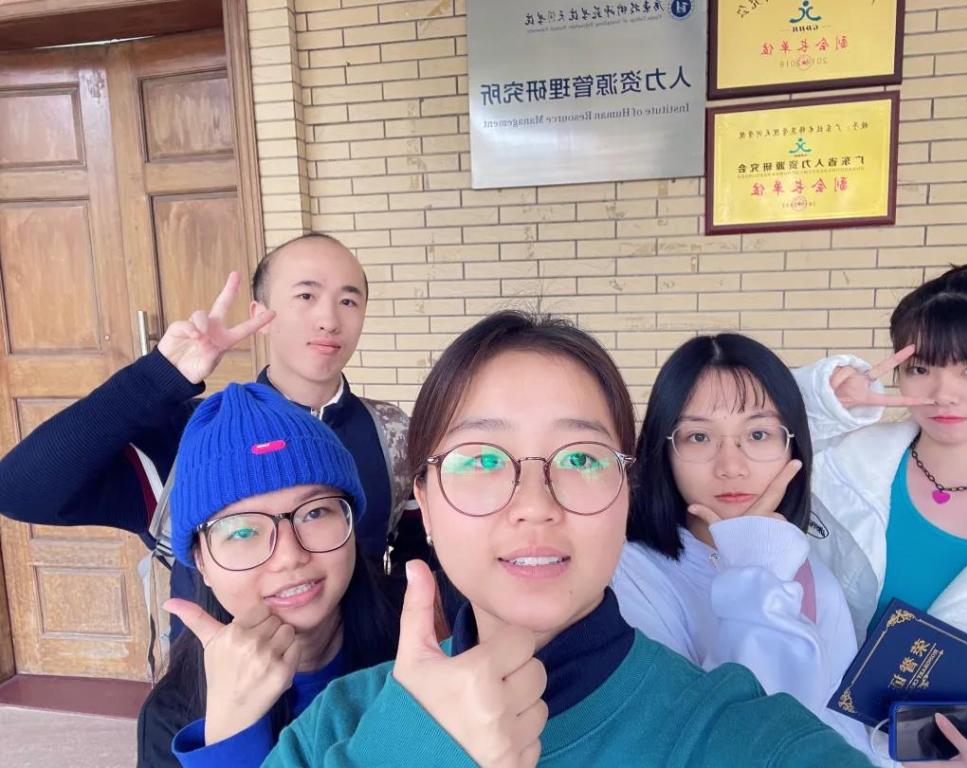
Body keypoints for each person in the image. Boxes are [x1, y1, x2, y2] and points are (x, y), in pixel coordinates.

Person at [244, 310, 870, 768]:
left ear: (625, 494)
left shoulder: (742, 738)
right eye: (481, 460)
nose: (535, 507)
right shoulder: (336, 728)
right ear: (425, 504)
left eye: (580, 458)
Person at [0, 233, 412, 633]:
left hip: (368, 674)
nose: (329, 320)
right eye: (306, 296)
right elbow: (20, 490)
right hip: (211, 676)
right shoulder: (190, 437)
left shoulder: (390, 432)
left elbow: (415, 556)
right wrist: (156, 378)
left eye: (348, 301)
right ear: (260, 314)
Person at [794, 261, 967, 766]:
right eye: (921, 368)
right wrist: (829, 402)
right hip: (816, 745)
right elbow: (757, 437)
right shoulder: (841, 466)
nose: (943, 393)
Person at [611, 333, 870, 754]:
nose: (731, 466)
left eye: (759, 435)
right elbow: (724, 741)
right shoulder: (625, 574)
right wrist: (755, 569)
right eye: (698, 437)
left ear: (792, 447)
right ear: (663, 451)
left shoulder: (814, 578)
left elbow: (843, 730)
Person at [136, 382, 398, 768]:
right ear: (201, 562)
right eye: (242, 531)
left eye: (315, 513)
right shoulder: (173, 717)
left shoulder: (422, 634)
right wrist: (230, 736)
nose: (289, 557)